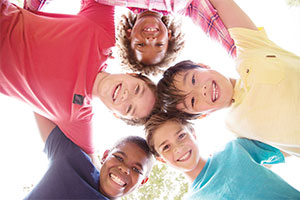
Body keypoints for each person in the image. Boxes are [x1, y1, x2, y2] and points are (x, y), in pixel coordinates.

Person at [0, 0, 156, 165]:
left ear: (117, 114)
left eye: (130, 108)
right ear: (132, 74)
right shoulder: (101, 35)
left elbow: (90, 164)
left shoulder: (78, 116)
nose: (126, 96)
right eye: (137, 90)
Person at [156, 0, 300, 156]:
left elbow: (223, 4)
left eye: (193, 80)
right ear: (203, 115)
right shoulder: (235, 127)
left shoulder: (249, 49)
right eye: (192, 101)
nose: (202, 91)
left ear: (203, 66)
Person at [144, 113, 300, 199]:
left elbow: (289, 145)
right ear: (161, 159)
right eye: (166, 147)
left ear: (193, 133)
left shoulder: (235, 149)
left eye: (181, 135)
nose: (178, 148)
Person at [25, 113, 154, 199]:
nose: (125, 169)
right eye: (119, 158)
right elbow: (39, 101)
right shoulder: (72, 158)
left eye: (136, 169)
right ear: (105, 156)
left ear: (143, 181)